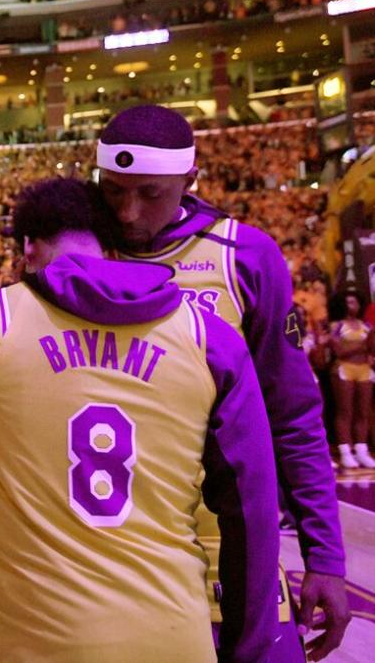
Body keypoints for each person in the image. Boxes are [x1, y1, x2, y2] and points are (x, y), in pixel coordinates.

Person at [0, 177, 280, 662]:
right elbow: (252, 509)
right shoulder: (211, 338)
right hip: (173, 631)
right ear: (115, 251)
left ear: (26, 248)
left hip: (37, 639)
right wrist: (250, 644)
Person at [99, 104, 348, 661]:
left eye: (149, 193)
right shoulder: (76, 248)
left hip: (229, 545)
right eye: (113, 191)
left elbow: (292, 415)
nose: (128, 212)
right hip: (108, 555)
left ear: (190, 181)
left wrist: (325, 557)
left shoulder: (245, 256)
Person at [329, 291, 375, 468]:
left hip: (364, 370)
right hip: (344, 369)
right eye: (348, 302)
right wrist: (361, 346)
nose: (352, 306)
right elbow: (339, 351)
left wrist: (366, 345)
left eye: (354, 302)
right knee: (345, 411)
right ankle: (345, 452)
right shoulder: (337, 326)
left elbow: (371, 349)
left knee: (362, 412)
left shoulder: (367, 326)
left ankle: (362, 451)